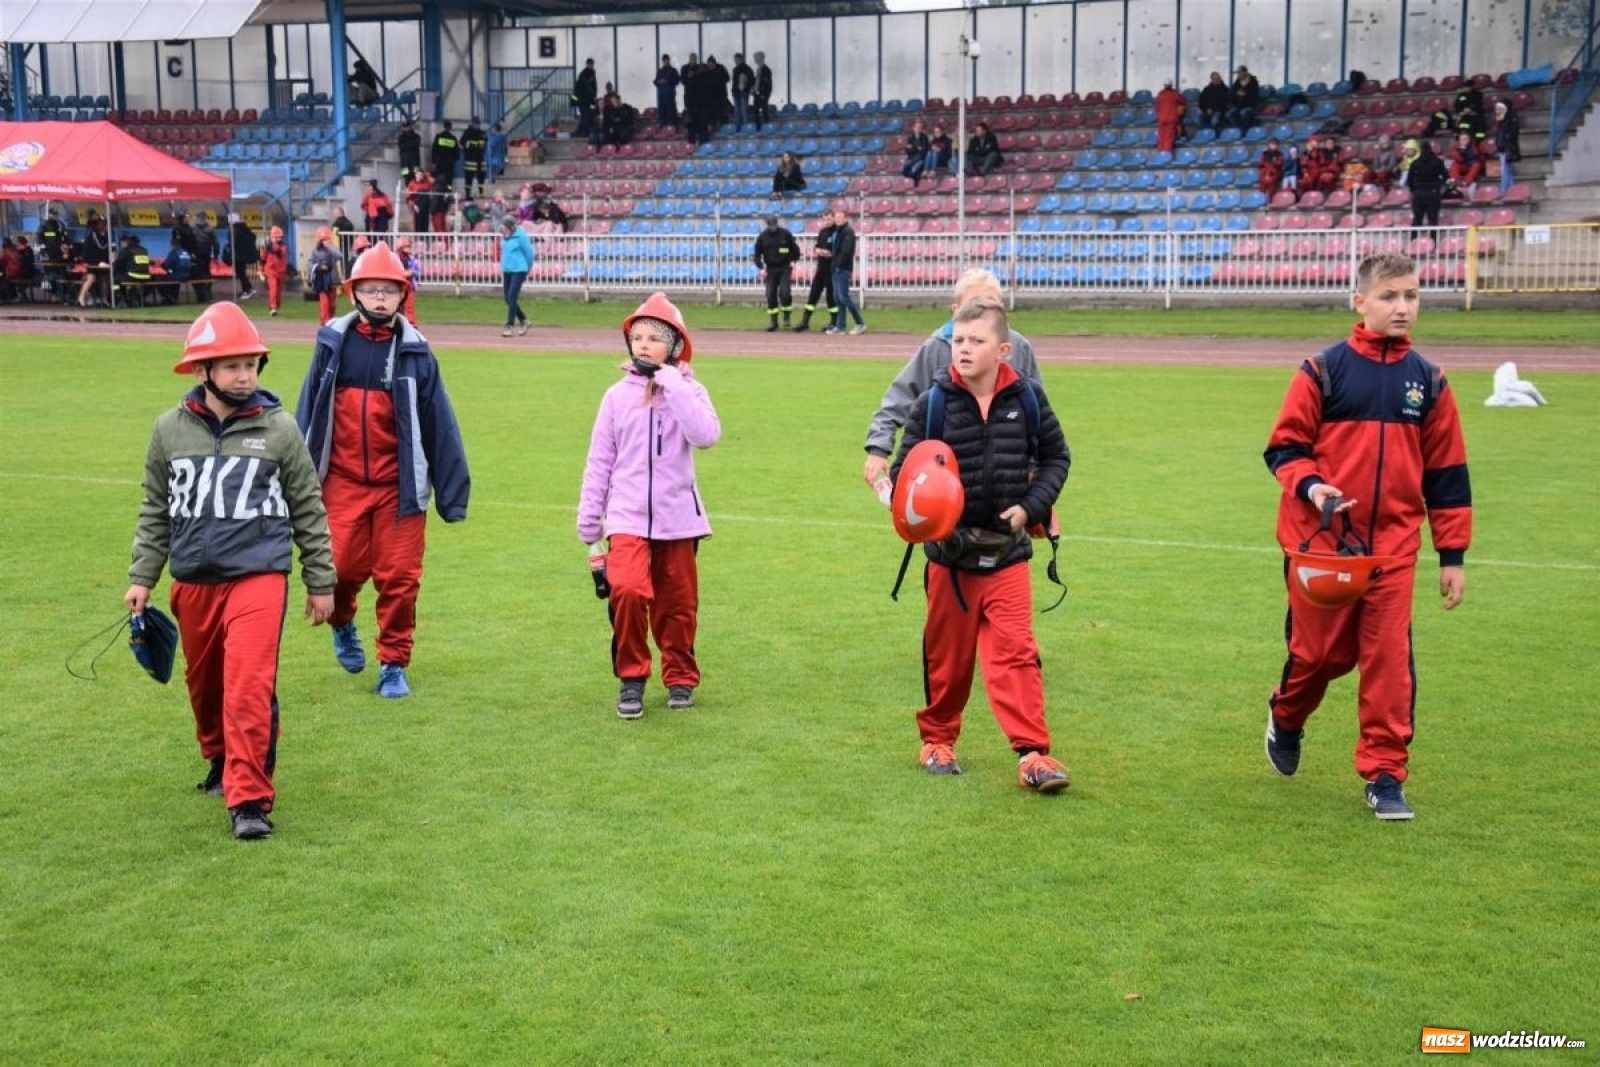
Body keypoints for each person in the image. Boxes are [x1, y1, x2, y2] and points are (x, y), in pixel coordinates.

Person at [1262, 252, 1472, 821]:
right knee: (1320, 657)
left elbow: (1447, 472)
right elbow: (1283, 449)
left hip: (1394, 549)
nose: (1403, 307)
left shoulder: (1428, 381)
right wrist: (1313, 489)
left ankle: (1384, 773)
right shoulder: (1322, 371)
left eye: (1411, 296)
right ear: (1360, 302)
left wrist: (1451, 554)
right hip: (1321, 543)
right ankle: (1286, 716)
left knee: (1386, 660)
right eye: (1389, 296)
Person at [125, 301, 336, 840]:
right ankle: (219, 759)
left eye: (251, 364)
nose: (244, 375)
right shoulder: (167, 430)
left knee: (247, 685)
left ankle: (249, 802)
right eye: (232, 365)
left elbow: (308, 506)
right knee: (205, 686)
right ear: (203, 371)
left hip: (259, 576)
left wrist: (321, 581)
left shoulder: (282, 430)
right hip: (193, 579)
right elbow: (156, 508)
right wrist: (142, 576)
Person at [888, 297, 1071, 792]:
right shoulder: (933, 403)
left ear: (1003, 350)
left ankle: (1034, 755)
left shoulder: (1029, 398)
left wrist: (1030, 509)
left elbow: (1057, 459)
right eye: (959, 341)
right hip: (950, 559)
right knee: (948, 658)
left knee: (1016, 653)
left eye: (976, 341)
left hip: (1009, 554)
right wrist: (938, 524)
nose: (964, 350)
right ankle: (937, 741)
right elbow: (905, 474)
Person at [295, 240, 471, 700]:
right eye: (370, 290)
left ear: (402, 296)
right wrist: (292, 477)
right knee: (337, 570)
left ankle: (393, 662)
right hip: (341, 482)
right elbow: (307, 411)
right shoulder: (332, 344)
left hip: (400, 487)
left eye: (388, 291)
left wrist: (452, 493)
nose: (379, 298)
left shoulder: (417, 353)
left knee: (399, 578)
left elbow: (439, 422)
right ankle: (343, 621)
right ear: (353, 293)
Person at [577, 293, 721, 720]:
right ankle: (632, 676)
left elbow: (706, 435)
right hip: (626, 518)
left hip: (679, 520)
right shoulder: (615, 397)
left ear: (674, 346)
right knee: (626, 590)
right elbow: (600, 459)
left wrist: (673, 383)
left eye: (654, 338)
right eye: (636, 337)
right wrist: (590, 519)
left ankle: (679, 677)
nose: (642, 345)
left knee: (677, 605)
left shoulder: (689, 390)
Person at [861, 267, 1042, 488]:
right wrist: (878, 449)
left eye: (991, 304)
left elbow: (1038, 417)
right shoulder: (937, 348)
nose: (983, 311)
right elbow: (900, 398)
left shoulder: (1019, 347)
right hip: (950, 478)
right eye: (974, 304)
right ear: (956, 311)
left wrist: (1038, 475)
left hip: (1010, 482)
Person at [792, 208, 838, 332]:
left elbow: (840, 250)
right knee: (813, 296)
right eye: (825, 219)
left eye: (829, 219)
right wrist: (817, 249)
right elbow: (817, 244)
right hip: (821, 269)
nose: (827, 221)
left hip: (832, 269)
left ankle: (834, 322)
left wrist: (830, 253)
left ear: (834, 218)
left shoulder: (837, 232)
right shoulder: (823, 231)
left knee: (831, 298)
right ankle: (805, 322)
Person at [753, 213, 800, 331]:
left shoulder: (785, 234)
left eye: (774, 225)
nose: (772, 228)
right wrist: (761, 268)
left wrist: (793, 260)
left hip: (784, 267)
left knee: (785, 293)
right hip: (771, 268)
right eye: (770, 225)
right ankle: (773, 321)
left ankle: (787, 317)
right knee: (770, 294)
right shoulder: (762, 237)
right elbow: (757, 255)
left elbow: (795, 250)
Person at [825, 207, 865, 335]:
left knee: (844, 297)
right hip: (836, 268)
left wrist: (838, 264)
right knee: (837, 297)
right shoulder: (837, 231)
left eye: (840, 218)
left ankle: (860, 323)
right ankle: (840, 326)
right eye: (836, 218)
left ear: (845, 219)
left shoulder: (848, 232)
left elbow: (846, 252)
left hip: (843, 268)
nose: (838, 220)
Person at [498, 216, 533, 337]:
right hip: (507, 270)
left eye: (505, 227)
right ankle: (524, 320)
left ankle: (509, 325)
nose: (503, 229)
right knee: (508, 299)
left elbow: (529, 253)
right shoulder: (503, 238)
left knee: (512, 296)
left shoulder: (521, 236)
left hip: (519, 270)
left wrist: (527, 268)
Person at [1407, 140, 1449, 231]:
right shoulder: (1438, 162)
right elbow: (1446, 176)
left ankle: (1413, 241)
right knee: (1433, 220)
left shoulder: (1415, 163)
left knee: (1417, 220)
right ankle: (1434, 243)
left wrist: (1415, 190)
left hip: (1419, 192)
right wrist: (1438, 184)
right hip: (1433, 192)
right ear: (1431, 149)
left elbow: (1409, 181)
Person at [307, 226, 343, 325]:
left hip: (332, 280)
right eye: (322, 240)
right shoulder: (314, 252)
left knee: (332, 304)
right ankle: (324, 321)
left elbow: (339, 256)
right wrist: (318, 267)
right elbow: (310, 264)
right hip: (321, 281)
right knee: (324, 303)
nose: (324, 242)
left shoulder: (332, 250)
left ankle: (331, 321)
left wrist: (329, 246)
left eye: (326, 239)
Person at [76, 213, 111, 307]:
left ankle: (104, 299)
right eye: (102, 224)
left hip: (103, 265)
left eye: (105, 224)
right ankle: (81, 297)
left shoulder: (107, 236)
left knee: (105, 278)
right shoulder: (91, 236)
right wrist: (95, 263)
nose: (104, 226)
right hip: (91, 264)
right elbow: (85, 253)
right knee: (91, 277)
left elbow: (107, 251)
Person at [112, 233, 152, 308]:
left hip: (132, 275)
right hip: (146, 276)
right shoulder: (145, 250)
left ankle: (121, 299)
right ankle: (138, 298)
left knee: (114, 280)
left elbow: (118, 264)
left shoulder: (127, 250)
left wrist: (114, 262)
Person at [259, 225, 290, 317]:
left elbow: (280, 252)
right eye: (276, 237)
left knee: (278, 292)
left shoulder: (283, 246)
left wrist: (271, 244)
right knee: (273, 289)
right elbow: (262, 260)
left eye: (279, 237)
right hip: (271, 271)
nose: (278, 238)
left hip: (280, 272)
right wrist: (260, 272)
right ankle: (273, 307)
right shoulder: (267, 247)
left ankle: (275, 306)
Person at [226, 213, 257, 301]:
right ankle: (249, 289)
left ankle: (246, 290)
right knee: (242, 272)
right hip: (245, 255)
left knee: (241, 273)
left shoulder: (234, 230)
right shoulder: (244, 228)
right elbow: (252, 237)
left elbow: (233, 243)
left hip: (238, 255)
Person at [1448, 131, 1483, 199]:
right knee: (1455, 165)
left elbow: (1476, 158)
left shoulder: (1473, 147)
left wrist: (1468, 150)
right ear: (1459, 140)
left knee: (1477, 165)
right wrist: (1461, 150)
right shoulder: (1455, 148)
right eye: (1462, 139)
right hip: (1461, 166)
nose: (1464, 141)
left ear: (1469, 140)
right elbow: (1458, 159)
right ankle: (1455, 182)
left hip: (1470, 166)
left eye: (1466, 139)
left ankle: (1466, 182)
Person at [394, 237, 422, 321]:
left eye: (409, 246)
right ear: (400, 248)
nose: (409, 248)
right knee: (397, 308)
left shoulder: (412, 259)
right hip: (397, 287)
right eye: (407, 246)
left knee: (409, 308)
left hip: (410, 287)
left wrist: (412, 272)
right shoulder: (394, 259)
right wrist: (402, 273)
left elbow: (418, 272)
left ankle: (412, 326)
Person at [1155, 79, 1187, 152]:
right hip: (1171, 118)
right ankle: (1166, 155)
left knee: (1161, 137)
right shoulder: (1174, 94)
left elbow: (1157, 107)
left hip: (1162, 118)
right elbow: (1183, 100)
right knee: (1168, 138)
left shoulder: (1160, 94)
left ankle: (1160, 154)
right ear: (1171, 85)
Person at [460, 116, 488, 197]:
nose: (477, 125)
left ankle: (481, 193)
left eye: (478, 124)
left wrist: (473, 145)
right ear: (472, 124)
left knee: (481, 178)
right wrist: (473, 145)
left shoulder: (482, 133)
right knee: (468, 178)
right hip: (470, 160)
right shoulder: (467, 132)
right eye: (475, 124)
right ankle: (468, 194)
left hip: (480, 159)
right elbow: (462, 143)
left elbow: (485, 143)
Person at [1229, 65, 1261, 132]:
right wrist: (1236, 94)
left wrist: (1244, 95)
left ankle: (1246, 130)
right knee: (1230, 114)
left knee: (1244, 113)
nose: (1238, 74)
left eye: (1240, 72)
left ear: (1245, 72)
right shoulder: (1237, 83)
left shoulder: (1253, 82)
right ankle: (1237, 129)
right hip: (1239, 106)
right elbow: (1232, 94)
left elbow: (1254, 96)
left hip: (1250, 106)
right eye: (1237, 73)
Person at [431, 120, 460, 192]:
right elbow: (457, 153)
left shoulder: (439, 136)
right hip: (450, 163)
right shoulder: (453, 138)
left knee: (439, 178)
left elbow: (434, 149)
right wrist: (453, 160)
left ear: (444, 127)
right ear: (450, 128)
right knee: (449, 179)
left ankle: (439, 192)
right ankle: (448, 194)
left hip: (440, 162)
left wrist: (434, 160)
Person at [573, 58, 599, 138]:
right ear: (587, 64)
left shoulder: (591, 73)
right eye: (590, 64)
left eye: (592, 64)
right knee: (585, 115)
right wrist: (593, 97)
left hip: (586, 100)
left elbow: (593, 87)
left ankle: (584, 131)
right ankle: (584, 132)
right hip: (583, 99)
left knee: (586, 115)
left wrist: (593, 97)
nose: (592, 66)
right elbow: (587, 87)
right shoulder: (584, 74)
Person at [901, 118, 931, 185]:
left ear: (922, 129)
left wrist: (913, 148)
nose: (918, 129)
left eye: (920, 127)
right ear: (913, 128)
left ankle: (916, 183)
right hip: (911, 158)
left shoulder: (925, 137)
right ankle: (914, 180)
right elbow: (907, 150)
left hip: (920, 158)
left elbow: (924, 150)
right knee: (903, 171)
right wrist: (917, 148)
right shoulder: (910, 138)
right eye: (917, 127)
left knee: (914, 170)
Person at [654, 54, 681, 127]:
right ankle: (663, 127)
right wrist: (659, 82)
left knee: (670, 113)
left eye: (666, 60)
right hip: (661, 96)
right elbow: (656, 81)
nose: (665, 62)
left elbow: (677, 81)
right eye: (664, 60)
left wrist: (667, 81)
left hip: (670, 96)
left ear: (669, 60)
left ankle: (671, 127)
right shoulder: (660, 71)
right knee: (662, 113)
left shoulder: (673, 70)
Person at [731, 53, 755, 131]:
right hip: (736, 93)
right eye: (735, 59)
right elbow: (734, 82)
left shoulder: (747, 69)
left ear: (741, 59)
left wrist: (746, 89)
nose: (736, 61)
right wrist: (733, 90)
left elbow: (752, 80)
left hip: (743, 93)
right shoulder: (735, 69)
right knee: (737, 112)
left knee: (744, 111)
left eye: (737, 59)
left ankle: (746, 128)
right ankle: (738, 128)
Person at [406, 169, 434, 234]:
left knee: (425, 225)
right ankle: (418, 240)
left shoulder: (427, 183)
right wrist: (414, 206)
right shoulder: (411, 184)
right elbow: (408, 198)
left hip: (426, 207)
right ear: (415, 175)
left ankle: (424, 240)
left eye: (421, 175)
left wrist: (427, 175)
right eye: (418, 175)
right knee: (417, 225)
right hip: (417, 207)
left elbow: (433, 182)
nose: (420, 176)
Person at [329, 205, 356, 270]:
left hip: (340, 245)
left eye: (335, 213)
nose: (333, 214)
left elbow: (334, 232)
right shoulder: (349, 222)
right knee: (345, 260)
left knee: (342, 262)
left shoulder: (337, 224)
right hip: (348, 245)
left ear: (340, 213)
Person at [752, 52, 773, 131]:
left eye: (756, 57)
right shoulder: (758, 69)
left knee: (764, 110)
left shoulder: (766, 70)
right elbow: (757, 81)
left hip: (762, 93)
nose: (755, 59)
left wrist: (764, 93)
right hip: (757, 93)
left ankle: (766, 127)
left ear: (761, 58)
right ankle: (759, 127)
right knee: (756, 111)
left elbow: (767, 83)